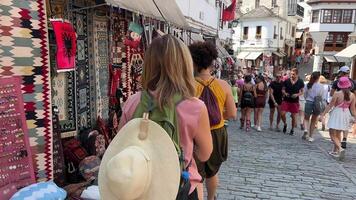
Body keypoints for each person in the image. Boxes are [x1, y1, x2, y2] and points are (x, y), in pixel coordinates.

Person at [116, 35, 213, 199]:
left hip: (140, 188)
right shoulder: (195, 107)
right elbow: (205, 154)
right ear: (185, 65)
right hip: (179, 188)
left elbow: (121, 145)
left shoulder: (133, 102)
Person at [189, 42, 236, 200]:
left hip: (194, 133)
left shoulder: (187, 86)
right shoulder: (224, 85)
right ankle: (211, 198)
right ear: (212, 62)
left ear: (193, 61)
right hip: (217, 133)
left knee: (195, 171)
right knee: (213, 172)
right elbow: (232, 113)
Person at [321, 77, 356, 159]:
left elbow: (330, 105)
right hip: (346, 114)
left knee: (332, 133)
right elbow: (353, 109)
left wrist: (323, 114)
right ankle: (335, 150)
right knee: (338, 133)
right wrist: (355, 117)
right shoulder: (353, 95)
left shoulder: (337, 94)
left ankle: (340, 148)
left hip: (337, 113)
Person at [330, 66, 356, 149]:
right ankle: (344, 139)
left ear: (341, 72)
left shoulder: (337, 82)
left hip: (338, 109)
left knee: (335, 131)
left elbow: (331, 94)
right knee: (344, 126)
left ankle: (338, 149)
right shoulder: (352, 82)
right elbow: (354, 93)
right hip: (348, 107)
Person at [302, 71, 325, 142]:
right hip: (316, 103)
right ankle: (310, 136)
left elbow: (304, 94)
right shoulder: (321, 86)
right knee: (313, 120)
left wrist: (307, 99)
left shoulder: (307, 85)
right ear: (318, 78)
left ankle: (305, 129)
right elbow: (321, 96)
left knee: (306, 118)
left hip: (308, 102)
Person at [281, 68, 305, 135]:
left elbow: (302, 91)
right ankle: (285, 124)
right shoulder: (286, 81)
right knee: (282, 114)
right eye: (291, 74)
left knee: (294, 117)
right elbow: (283, 89)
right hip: (286, 100)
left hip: (294, 101)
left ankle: (292, 129)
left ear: (297, 74)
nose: (292, 75)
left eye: (293, 74)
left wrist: (297, 94)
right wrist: (285, 93)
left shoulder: (300, 81)